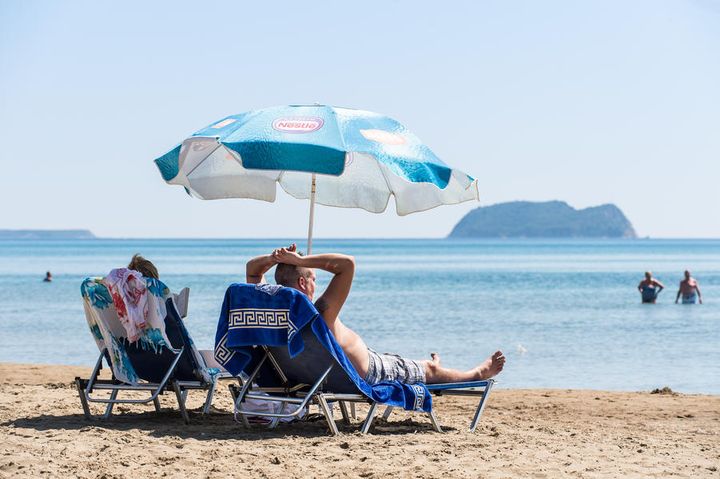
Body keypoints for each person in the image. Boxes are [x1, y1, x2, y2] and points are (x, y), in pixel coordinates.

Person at [245, 243, 506, 386]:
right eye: (312, 278)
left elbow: (253, 271)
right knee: (427, 369)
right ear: (303, 284)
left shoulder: (271, 310)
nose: (315, 282)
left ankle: (438, 366)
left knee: (402, 362)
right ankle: (476, 375)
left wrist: (274, 257)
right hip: (365, 373)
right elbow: (347, 264)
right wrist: (302, 261)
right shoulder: (318, 312)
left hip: (306, 378)